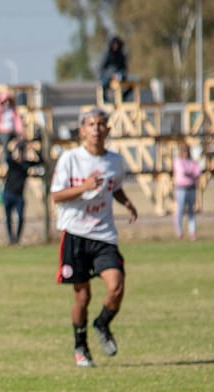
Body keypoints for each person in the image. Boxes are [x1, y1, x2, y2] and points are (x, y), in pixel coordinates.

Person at [50, 109, 138, 368]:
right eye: (91, 124)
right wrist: (84, 187)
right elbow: (56, 195)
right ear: (82, 131)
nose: (97, 129)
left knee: (116, 286)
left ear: (108, 130)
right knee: (82, 296)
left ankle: (102, 323)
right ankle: (81, 346)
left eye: (101, 124)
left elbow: (115, 186)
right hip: (75, 233)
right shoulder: (70, 159)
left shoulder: (115, 161)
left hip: (104, 235)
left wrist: (127, 202)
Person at [1, 138, 43, 245]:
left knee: (20, 218)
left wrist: (33, 148)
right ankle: (11, 238)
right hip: (8, 194)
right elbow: (6, 155)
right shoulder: (12, 163)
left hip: (19, 196)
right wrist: (14, 145)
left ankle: (17, 239)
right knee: (8, 218)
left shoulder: (25, 164)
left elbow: (41, 161)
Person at [172, 141, 201, 240]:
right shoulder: (178, 161)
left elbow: (197, 172)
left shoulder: (192, 161)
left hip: (191, 188)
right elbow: (183, 172)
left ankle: (192, 232)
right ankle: (179, 232)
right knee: (180, 210)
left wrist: (191, 173)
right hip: (181, 189)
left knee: (191, 211)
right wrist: (191, 173)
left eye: (187, 150)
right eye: (183, 150)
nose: (185, 152)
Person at [100, 36, 130, 102]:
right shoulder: (107, 55)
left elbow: (124, 68)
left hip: (119, 75)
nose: (115, 46)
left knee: (131, 83)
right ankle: (105, 100)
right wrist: (111, 75)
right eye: (114, 44)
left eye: (117, 44)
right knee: (103, 83)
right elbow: (102, 69)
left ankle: (122, 97)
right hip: (108, 77)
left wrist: (120, 74)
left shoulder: (121, 55)